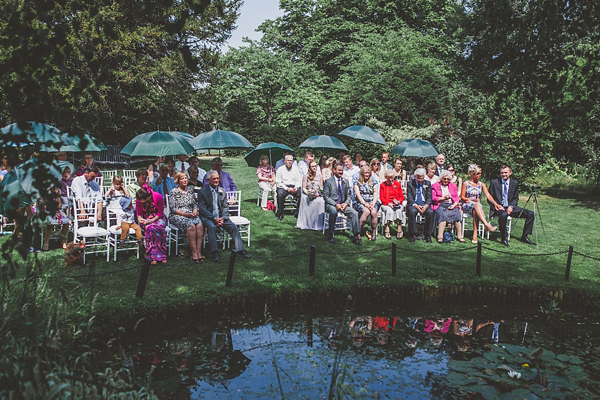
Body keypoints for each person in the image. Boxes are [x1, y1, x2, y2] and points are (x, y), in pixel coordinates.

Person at [197, 170, 250, 263]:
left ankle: (241, 250)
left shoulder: (222, 191)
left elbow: (225, 206)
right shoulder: (202, 192)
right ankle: (215, 253)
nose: (216, 180)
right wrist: (214, 218)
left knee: (233, 227)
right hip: (209, 218)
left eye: (217, 178)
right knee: (211, 227)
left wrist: (223, 218)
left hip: (221, 217)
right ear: (208, 180)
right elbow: (202, 209)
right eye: (214, 179)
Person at [488, 165, 536, 246]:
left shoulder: (514, 183)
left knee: (531, 214)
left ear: (510, 173)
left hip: (510, 207)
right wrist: (496, 205)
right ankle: (503, 238)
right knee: (503, 214)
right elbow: (489, 198)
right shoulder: (494, 182)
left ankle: (525, 236)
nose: (503, 174)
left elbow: (515, 198)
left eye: (505, 172)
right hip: (499, 207)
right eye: (502, 173)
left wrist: (511, 206)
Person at [168, 172, 204, 263]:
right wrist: (185, 214)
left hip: (191, 214)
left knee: (199, 224)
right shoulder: (173, 192)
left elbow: (195, 204)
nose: (185, 180)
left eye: (186, 178)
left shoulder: (191, 190)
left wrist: (195, 210)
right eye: (182, 178)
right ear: (178, 180)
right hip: (178, 215)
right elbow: (173, 209)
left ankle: (199, 251)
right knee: (191, 225)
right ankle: (194, 252)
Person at [323, 162, 360, 245]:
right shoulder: (328, 181)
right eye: (339, 170)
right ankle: (331, 234)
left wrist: (346, 203)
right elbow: (325, 196)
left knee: (354, 213)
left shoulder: (345, 181)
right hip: (332, 204)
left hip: (343, 204)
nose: (341, 172)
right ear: (334, 170)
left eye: (342, 170)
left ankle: (356, 236)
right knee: (333, 212)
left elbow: (349, 195)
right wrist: (336, 204)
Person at [460, 164, 499, 244]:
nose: (479, 175)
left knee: (476, 209)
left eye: (480, 173)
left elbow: (488, 195)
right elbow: (462, 197)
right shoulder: (466, 183)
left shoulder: (482, 184)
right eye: (477, 173)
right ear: (472, 173)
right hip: (467, 204)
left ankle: (475, 235)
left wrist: (495, 204)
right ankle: (486, 225)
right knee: (476, 205)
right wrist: (470, 199)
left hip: (476, 207)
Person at [136, 185, 167, 264]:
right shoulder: (138, 200)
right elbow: (139, 214)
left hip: (158, 218)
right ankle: (151, 256)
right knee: (150, 228)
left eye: (142, 200)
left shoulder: (159, 197)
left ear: (148, 197)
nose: (140, 201)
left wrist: (151, 220)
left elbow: (160, 213)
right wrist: (140, 219)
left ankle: (162, 254)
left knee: (159, 227)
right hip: (146, 218)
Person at [431, 170, 465, 243]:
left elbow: (456, 198)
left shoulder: (453, 185)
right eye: (444, 179)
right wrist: (443, 198)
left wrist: (454, 205)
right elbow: (433, 198)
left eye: (448, 179)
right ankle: (440, 237)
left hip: (451, 204)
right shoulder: (435, 185)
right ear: (441, 178)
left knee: (456, 214)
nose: (446, 180)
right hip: (440, 204)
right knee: (442, 215)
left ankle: (460, 236)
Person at [406, 168, 434, 243]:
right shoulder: (410, 183)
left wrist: (426, 205)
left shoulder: (427, 183)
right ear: (415, 176)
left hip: (424, 204)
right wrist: (416, 205)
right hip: (414, 204)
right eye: (418, 178)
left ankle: (427, 235)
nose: (420, 180)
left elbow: (429, 197)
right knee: (412, 212)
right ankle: (412, 234)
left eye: (422, 178)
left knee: (430, 213)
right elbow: (409, 197)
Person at [296, 161, 325, 230]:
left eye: (315, 166)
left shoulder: (320, 176)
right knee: (308, 199)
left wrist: (318, 193)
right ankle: (308, 222)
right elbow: (304, 188)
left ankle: (317, 223)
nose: (314, 167)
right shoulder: (306, 176)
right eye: (312, 166)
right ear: (309, 167)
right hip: (308, 194)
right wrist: (309, 193)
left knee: (321, 201)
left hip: (317, 194)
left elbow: (321, 187)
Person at [353, 166, 379, 241]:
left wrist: (373, 204)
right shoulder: (357, 182)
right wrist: (365, 204)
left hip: (371, 202)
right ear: (362, 173)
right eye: (365, 173)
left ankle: (374, 232)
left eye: (368, 173)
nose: (367, 174)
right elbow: (358, 195)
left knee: (374, 212)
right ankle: (358, 233)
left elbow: (375, 194)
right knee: (366, 212)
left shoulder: (374, 182)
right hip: (360, 202)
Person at [275, 154, 302, 221]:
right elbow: (278, 182)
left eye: (291, 160)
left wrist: (296, 187)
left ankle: (298, 212)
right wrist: (287, 188)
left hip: (293, 186)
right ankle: (281, 213)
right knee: (280, 194)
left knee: (302, 194)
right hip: (283, 186)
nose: (290, 162)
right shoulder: (280, 170)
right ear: (284, 161)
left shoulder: (296, 170)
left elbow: (299, 180)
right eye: (288, 160)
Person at [379, 169, 405, 240]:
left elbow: (401, 197)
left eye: (392, 177)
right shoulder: (382, 185)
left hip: (396, 204)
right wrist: (388, 203)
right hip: (386, 204)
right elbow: (381, 198)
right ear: (385, 177)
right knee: (389, 211)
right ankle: (387, 228)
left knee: (399, 211)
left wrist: (398, 201)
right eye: (389, 177)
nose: (390, 179)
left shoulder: (397, 184)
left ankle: (399, 228)